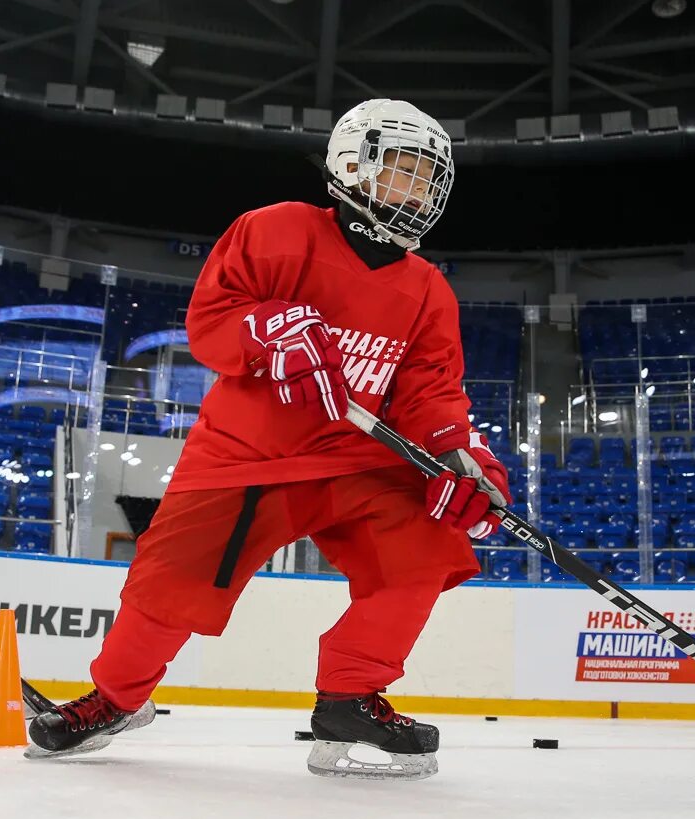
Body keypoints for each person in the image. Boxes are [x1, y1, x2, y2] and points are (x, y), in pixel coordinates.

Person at [27, 99, 511, 780]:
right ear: (353, 164)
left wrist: (459, 456)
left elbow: (430, 392)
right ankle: (113, 699)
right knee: (168, 582)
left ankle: (352, 695)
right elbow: (212, 319)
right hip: (245, 455)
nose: (420, 191)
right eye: (405, 171)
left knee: (428, 546)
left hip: (359, 460)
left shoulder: (429, 290)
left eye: (430, 179)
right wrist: (269, 329)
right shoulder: (276, 231)